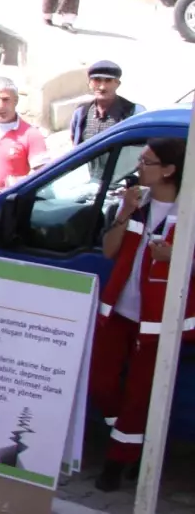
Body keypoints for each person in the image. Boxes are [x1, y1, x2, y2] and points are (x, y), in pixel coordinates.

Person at [89, 138, 188, 491]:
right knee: (101, 382)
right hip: (120, 310)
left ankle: (118, 462)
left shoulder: (188, 211)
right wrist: (124, 213)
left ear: (169, 170)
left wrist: (173, 256)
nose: (138, 168)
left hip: (158, 318)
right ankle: (131, 439)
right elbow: (111, 250)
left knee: (138, 392)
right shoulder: (137, 202)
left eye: (146, 162)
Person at [72, 61, 144, 145]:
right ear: (89, 84)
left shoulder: (134, 112)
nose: (102, 87)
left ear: (117, 84)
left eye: (108, 80)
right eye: (97, 80)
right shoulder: (81, 112)